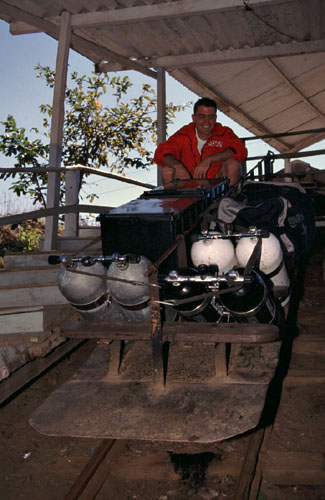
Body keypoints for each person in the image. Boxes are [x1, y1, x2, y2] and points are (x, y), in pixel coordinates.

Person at [153, 97, 248, 186]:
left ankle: (227, 201)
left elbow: (240, 150)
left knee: (233, 164)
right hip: (187, 188)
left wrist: (210, 159)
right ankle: (173, 202)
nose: (206, 122)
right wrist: (177, 166)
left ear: (215, 118)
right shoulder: (183, 135)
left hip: (216, 188)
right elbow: (161, 153)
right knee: (167, 170)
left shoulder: (224, 133)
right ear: (193, 118)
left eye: (211, 117)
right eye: (201, 117)